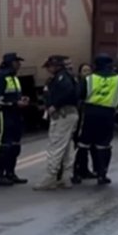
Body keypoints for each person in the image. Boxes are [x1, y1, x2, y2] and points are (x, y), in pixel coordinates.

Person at [77, 54, 118, 185]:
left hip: (90, 113)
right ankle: (102, 174)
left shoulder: (89, 79)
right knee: (104, 145)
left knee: (84, 143)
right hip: (108, 113)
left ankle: (79, 172)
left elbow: (80, 94)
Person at [34, 55, 80, 191]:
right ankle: (66, 177)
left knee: (56, 145)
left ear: (56, 66)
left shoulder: (61, 78)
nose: (48, 69)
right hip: (70, 114)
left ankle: (51, 176)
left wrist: (55, 105)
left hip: (63, 115)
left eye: (49, 66)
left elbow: (68, 93)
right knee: (67, 147)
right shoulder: (67, 76)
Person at [0, 53, 29, 187]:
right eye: (16, 62)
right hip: (5, 114)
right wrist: (14, 103)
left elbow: (13, 95)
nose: (19, 65)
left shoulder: (14, 78)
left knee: (15, 145)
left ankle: (10, 173)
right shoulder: (1, 77)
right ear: (10, 63)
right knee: (4, 145)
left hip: (16, 114)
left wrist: (21, 99)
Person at [72, 63, 97, 183]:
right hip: (80, 117)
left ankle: (84, 169)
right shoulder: (79, 84)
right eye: (84, 71)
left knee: (89, 145)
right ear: (80, 73)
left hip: (90, 116)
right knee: (80, 145)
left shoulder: (93, 83)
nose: (87, 73)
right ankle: (76, 171)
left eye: (88, 70)